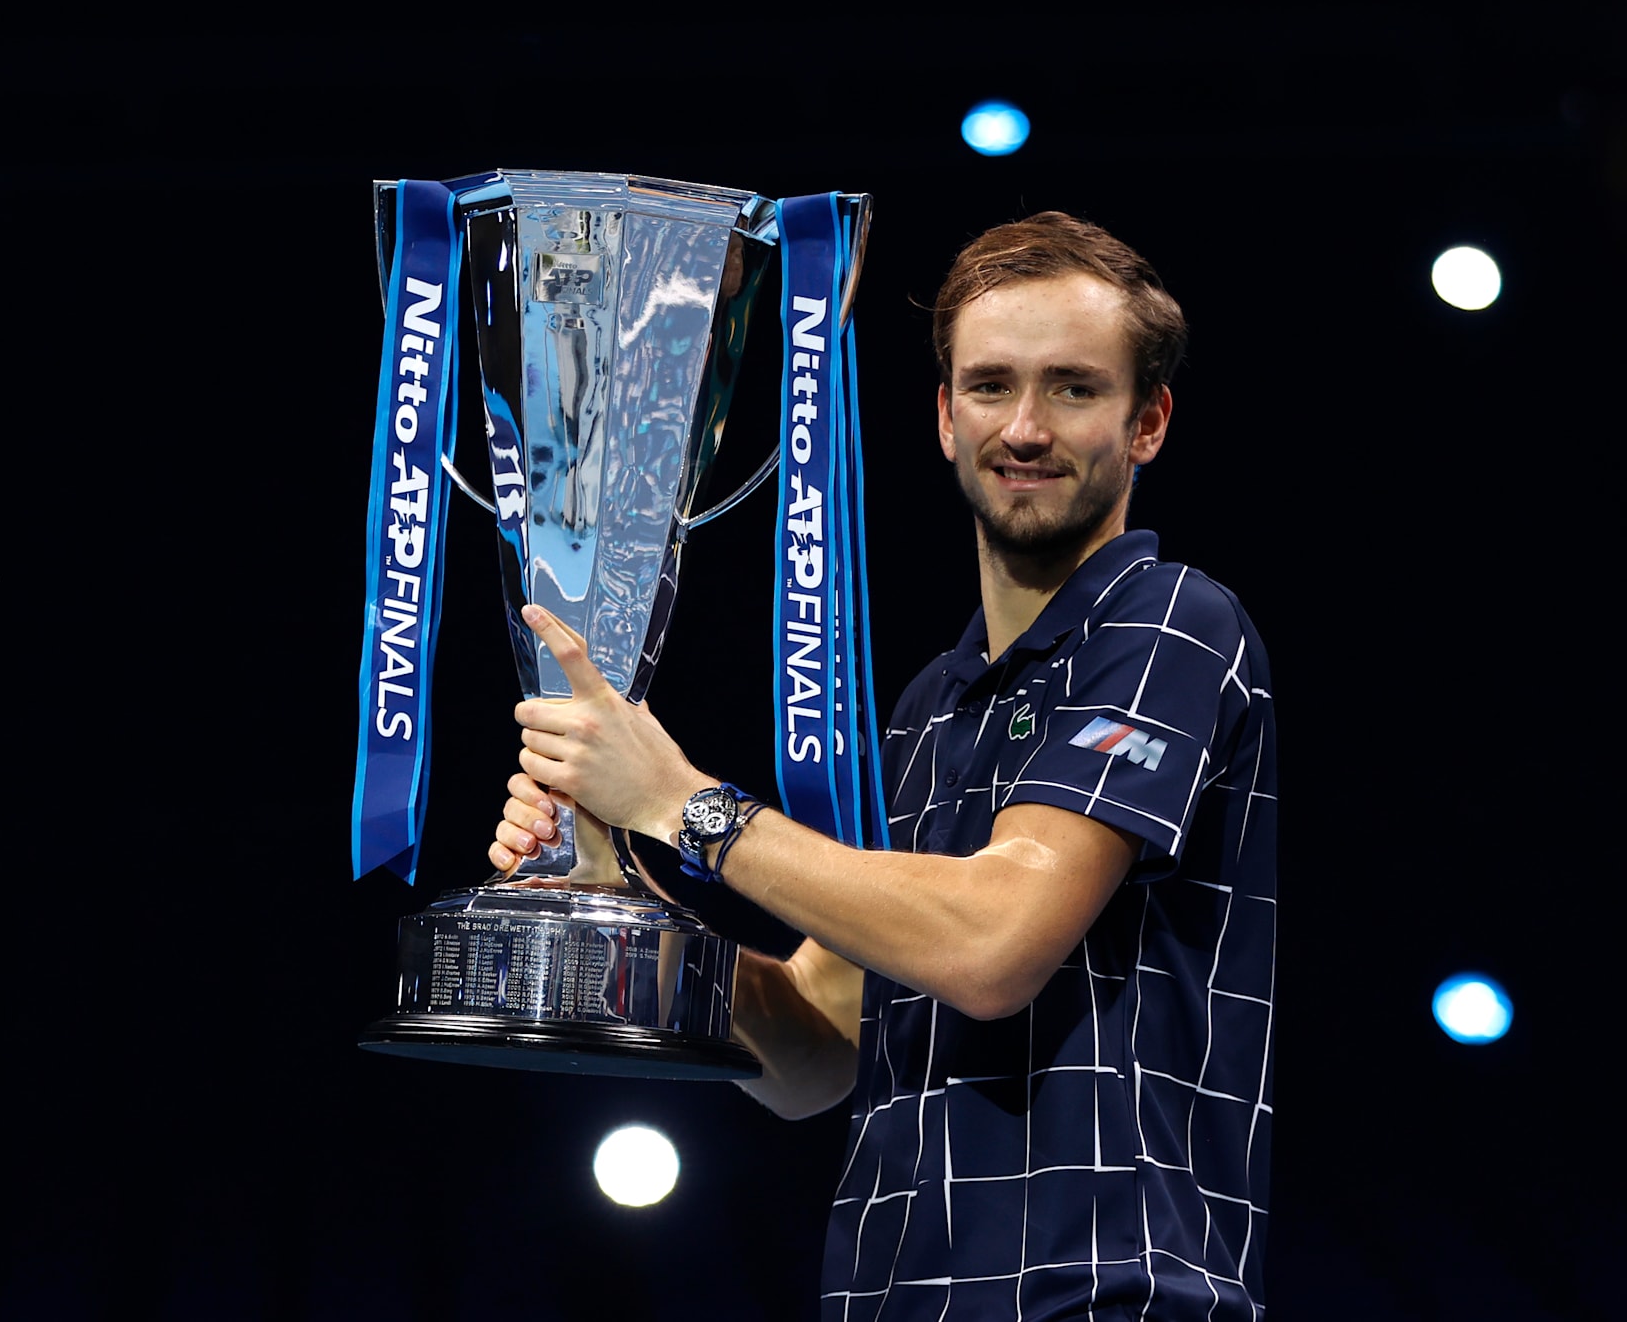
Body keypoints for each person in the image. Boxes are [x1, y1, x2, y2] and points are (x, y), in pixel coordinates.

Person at [489, 213, 1277, 1321]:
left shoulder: (1170, 626)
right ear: (945, 416)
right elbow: (813, 1049)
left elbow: (993, 943)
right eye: (992, 386)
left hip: (1101, 1298)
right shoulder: (929, 708)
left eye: (1074, 389)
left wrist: (683, 803)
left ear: (1148, 422)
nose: (1026, 427)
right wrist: (631, 876)